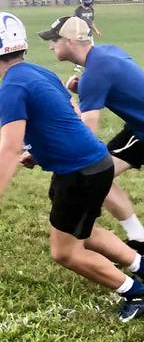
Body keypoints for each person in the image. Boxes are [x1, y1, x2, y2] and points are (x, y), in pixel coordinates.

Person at [0, 12, 144, 322]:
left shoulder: (10, 89)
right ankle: (141, 266)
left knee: (65, 252)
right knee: (83, 234)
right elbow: (67, 115)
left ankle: (135, 292)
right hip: (92, 166)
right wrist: (38, 154)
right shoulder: (38, 72)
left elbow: (9, 147)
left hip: (80, 173)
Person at [39, 15, 144, 254]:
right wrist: (86, 89)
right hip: (137, 129)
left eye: (54, 40)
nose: (50, 45)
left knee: (94, 171)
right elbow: (123, 81)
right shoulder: (105, 54)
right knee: (100, 172)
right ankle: (138, 237)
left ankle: (139, 238)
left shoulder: (95, 73)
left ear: (69, 41)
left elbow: (86, 135)